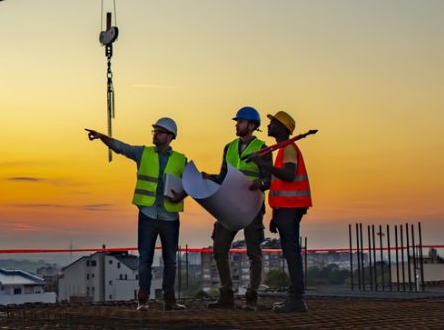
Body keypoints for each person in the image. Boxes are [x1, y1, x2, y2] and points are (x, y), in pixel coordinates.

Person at [85, 117, 188, 311]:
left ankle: (170, 300)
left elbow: (192, 184)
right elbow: (121, 147)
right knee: (145, 259)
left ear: (170, 136)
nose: (155, 135)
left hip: (169, 217)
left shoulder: (181, 160)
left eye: (159, 132)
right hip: (148, 214)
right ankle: (143, 300)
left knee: (171, 260)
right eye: (154, 131)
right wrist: (102, 137)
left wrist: (181, 194)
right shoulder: (143, 153)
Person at [204, 106, 272, 311]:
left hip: (251, 207)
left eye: (240, 121)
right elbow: (224, 176)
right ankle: (227, 295)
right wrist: (210, 178)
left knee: (254, 252)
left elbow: (269, 179)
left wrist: (259, 183)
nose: (236, 124)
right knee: (219, 248)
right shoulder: (229, 147)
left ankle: (252, 297)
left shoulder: (263, 148)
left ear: (252, 126)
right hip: (230, 205)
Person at [251, 110, 312, 313]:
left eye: (273, 123)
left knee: (292, 253)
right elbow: (280, 185)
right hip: (285, 210)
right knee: (290, 252)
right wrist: (276, 215)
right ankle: (295, 298)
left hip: (290, 209)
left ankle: (296, 298)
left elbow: (288, 175)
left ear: (283, 128)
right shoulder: (283, 150)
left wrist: (263, 165)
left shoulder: (288, 149)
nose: (268, 126)